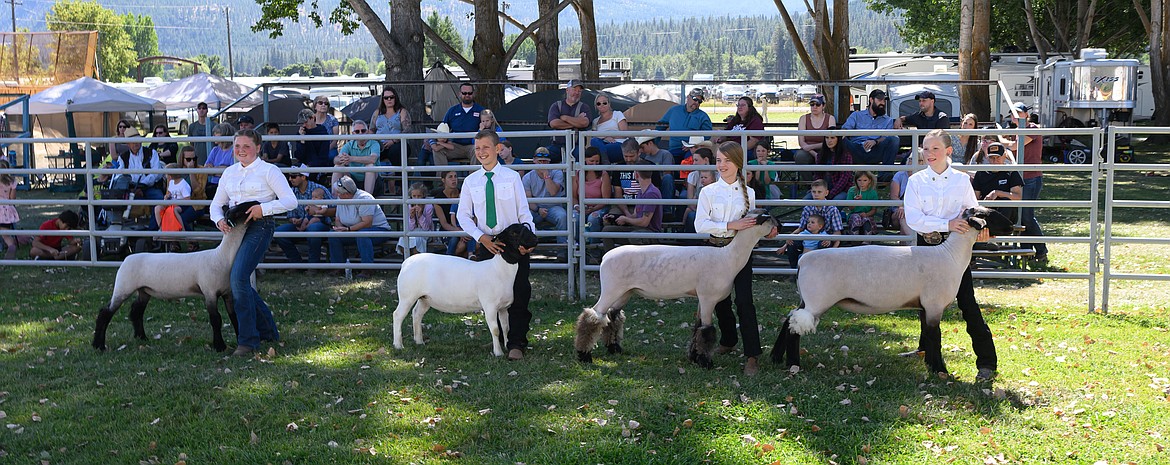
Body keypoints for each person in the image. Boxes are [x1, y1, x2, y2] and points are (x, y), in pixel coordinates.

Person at [904, 128, 998, 381]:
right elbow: (914, 219)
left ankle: (987, 362)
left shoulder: (961, 179)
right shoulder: (915, 181)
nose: (929, 153)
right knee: (926, 303)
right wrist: (947, 224)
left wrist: (982, 231)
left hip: (955, 251)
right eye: (925, 148)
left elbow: (972, 212)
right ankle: (928, 352)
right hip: (926, 248)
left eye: (935, 148)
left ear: (948, 151)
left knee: (967, 301)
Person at [209, 128, 298, 357]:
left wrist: (263, 209)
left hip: (260, 226)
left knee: (237, 278)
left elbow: (290, 201)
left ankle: (248, 341)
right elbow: (216, 205)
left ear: (258, 148)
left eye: (246, 146)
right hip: (235, 228)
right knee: (240, 281)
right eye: (237, 146)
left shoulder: (270, 171)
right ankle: (268, 331)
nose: (241, 150)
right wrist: (219, 219)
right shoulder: (229, 172)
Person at [694, 141, 777, 376]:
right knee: (720, 301)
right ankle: (729, 341)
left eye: (727, 161)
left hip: (740, 254)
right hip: (715, 252)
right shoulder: (708, 192)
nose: (722, 165)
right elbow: (700, 225)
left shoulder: (748, 192)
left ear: (738, 163)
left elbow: (752, 224)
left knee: (743, 301)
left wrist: (765, 229)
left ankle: (752, 355)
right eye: (719, 160)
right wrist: (731, 225)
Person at [456, 129, 535, 361]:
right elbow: (463, 216)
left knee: (518, 292)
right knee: (490, 296)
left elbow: (524, 212)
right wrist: (481, 237)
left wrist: (527, 240)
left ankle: (517, 342)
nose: (481, 152)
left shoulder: (512, 178)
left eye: (486, 147)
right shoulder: (471, 182)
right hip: (488, 244)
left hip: (512, 244)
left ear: (498, 149)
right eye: (477, 148)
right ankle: (497, 338)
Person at [1005, 102, 1048, 262]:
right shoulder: (1017, 131)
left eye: (1018, 113)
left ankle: (1041, 250)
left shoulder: (1032, 129)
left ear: (1026, 115)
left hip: (1031, 177)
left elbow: (1016, 147)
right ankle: (1027, 251)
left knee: (1027, 216)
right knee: (1022, 217)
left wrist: (1002, 141)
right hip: (1021, 178)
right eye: (1012, 114)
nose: (1014, 116)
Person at [327, 176, 390, 277]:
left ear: (347, 194)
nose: (336, 195)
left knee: (362, 235)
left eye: (339, 192)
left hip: (378, 229)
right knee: (333, 235)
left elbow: (367, 223)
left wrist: (348, 229)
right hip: (353, 230)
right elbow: (338, 219)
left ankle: (367, 269)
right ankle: (338, 267)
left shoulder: (364, 198)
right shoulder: (340, 198)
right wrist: (339, 229)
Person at [274, 166, 334, 266]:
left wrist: (320, 212)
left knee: (313, 229)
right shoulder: (291, 192)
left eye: (293, 176)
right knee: (279, 232)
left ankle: (313, 265)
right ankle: (296, 263)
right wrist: (293, 219)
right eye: (289, 176)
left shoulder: (319, 189)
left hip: (320, 223)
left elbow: (335, 210)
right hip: (301, 224)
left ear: (303, 177)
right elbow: (290, 214)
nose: (290, 179)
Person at [783, 179, 842, 268]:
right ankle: (795, 270)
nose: (816, 194)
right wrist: (790, 237)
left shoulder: (832, 209)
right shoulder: (808, 208)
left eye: (819, 192)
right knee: (792, 243)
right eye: (814, 192)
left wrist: (830, 239)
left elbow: (837, 232)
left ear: (826, 193)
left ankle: (820, 270)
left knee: (823, 244)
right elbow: (801, 228)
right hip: (808, 236)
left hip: (825, 238)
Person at [601, 169, 661, 252]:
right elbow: (635, 215)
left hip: (649, 232)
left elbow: (644, 222)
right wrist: (616, 218)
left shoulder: (651, 193)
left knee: (634, 236)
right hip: (637, 229)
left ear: (636, 175)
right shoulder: (641, 191)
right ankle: (612, 260)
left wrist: (625, 219)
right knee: (607, 231)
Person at [522, 148, 567, 246]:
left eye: (545, 161)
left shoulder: (556, 172)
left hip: (554, 207)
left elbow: (553, 192)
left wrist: (546, 174)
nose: (542, 163)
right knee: (524, 217)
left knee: (562, 216)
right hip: (536, 208)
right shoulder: (527, 177)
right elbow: (527, 200)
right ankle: (527, 248)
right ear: (534, 161)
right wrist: (538, 209)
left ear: (549, 161)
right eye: (540, 161)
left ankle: (563, 250)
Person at [842, 89, 897, 168]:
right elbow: (845, 129)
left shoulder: (888, 120)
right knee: (839, 138)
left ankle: (885, 176)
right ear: (871, 100)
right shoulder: (857, 115)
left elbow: (886, 137)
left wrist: (875, 141)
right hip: (856, 149)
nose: (882, 103)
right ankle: (842, 175)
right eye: (879, 99)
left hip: (876, 150)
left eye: (884, 100)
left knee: (894, 139)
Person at [971, 142, 1023, 223]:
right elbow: (975, 198)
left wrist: (998, 193)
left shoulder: (1011, 172)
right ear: (987, 158)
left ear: (1004, 156)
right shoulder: (981, 173)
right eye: (992, 157)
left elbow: (1018, 197)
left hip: (1006, 215)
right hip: (987, 212)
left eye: (998, 157)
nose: (995, 160)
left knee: (1006, 202)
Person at [434, 83, 484, 166]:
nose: (467, 95)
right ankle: (443, 178)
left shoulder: (481, 110)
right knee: (438, 150)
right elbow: (442, 128)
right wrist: (432, 141)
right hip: (454, 145)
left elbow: (489, 128)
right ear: (459, 94)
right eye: (464, 93)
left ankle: (473, 179)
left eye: (470, 93)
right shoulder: (452, 110)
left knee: (479, 151)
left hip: (473, 145)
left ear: (473, 94)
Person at [657, 88, 713, 161]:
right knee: (667, 161)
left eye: (699, 101)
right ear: (688, 97)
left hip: (692, 150)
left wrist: (692, 145)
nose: (696, 103)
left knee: (691, 161)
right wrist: (655, 143)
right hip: (674, 148)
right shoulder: (674, 110)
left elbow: (707, 134)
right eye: (695, 99)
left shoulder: (703, 116)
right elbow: (661, 126)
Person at [430, 170, 475, 258]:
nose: (454, 179)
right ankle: (449, 260)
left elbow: (473, 214)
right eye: (450, 177)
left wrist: (467, 230)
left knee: (475, 244)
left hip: (466, 227)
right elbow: (444, 224)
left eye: (455, 176)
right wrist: (461, 232)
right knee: (459, 246)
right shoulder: (438, 198)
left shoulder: (463, 193)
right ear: (443, 180)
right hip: (449, 230)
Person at [547, 79, 592, 162]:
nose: (576, 93)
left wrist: (565, 118)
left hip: (577, 146)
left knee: (582, 157)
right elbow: (554, 123)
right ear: (567, 90)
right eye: (574, 90)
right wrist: (576, 122)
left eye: (579, 91)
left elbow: (584, 123)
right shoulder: (556, 106)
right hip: (557, 146)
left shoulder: (584, 107)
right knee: (543, 156)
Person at [573, 147, 612, 243]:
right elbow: (573, 196)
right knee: (575, 218)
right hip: (581, 207)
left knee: (593, 219)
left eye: (597, 161)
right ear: (585, 159)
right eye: (591, 161)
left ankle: (594, 247)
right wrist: (577, 207)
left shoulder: (603, 174)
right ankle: (578, 245)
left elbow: (606, 199)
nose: (594, 164)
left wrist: (593, 209)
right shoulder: (578, 174)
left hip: (599, 207)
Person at [333, 119, 381, 194]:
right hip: (352, 180)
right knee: (338, 166)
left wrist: (351, 158)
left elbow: (373, 159)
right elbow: (336, 160)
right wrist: (342, 159)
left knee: (370, 166)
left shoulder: (374, 143)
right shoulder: (349, 144)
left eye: (363, 130)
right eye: (357, 131)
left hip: (373, 181)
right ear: (353, 133)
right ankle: (334, 200)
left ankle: (367, 199)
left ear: (367, 131)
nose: (361, 133)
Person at [794, 94, 835, 178]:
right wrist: (814, 154)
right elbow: (802, 142)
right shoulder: (803, 118)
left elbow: (831, 140)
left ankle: (825, 185)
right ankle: (810, 185)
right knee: (800, 157)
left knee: (829, 158)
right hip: (807, 151)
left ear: (823, 106)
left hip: (825, 149)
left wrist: (811, 147)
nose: (814, 107)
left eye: (818, 104)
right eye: (812, 104)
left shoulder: (830, 118)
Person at [374, 85, 411, 167]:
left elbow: (407, 130)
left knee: (395, 151)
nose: (389, 99)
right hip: (379, 146)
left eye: (391, 97)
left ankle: (399, 178)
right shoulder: (377, 112)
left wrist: (393, 141)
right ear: (383, 99)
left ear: (395, 98)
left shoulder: (402, 111)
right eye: (386, 98)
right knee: (370, 152)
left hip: (397, 145)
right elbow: (371, 129)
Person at [815, 127, 854, 201]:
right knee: (806, 201)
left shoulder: (846, 156)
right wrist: (819, 191)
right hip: (823, 189)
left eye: (832, 138)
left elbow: (844, 179)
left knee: (834, 204)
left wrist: (829, 194)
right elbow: (818, 175)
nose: (829, 141)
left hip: (842, 190)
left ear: (838, 139)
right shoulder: (820, 155)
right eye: (827, 138)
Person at [633, 135, 676, 202]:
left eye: (642, 147)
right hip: (652, 183)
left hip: (662, 184)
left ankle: (666, 209)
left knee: (667, 178)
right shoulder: (647, 158)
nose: (641, 150)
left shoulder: (665, 154)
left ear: (650, 143)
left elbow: (667, 173)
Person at [294, 108, 331, 185]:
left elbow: (323, 157)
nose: (304, 125)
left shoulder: (323, 133)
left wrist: (310, 165)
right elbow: (299, 156)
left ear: (313, 118)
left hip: (316, 167)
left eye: (305, 122)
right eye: (302, 123)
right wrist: (302, 140)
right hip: (304, 166)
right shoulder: (301, 133)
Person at [175, 146, 209, 232]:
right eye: (188, 159)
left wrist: (191, 172)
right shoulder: (177, 171)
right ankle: (174, 243)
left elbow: (197, 191)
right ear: (182, 159)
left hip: (196, 203)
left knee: (181, 219)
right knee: (170, 216)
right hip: (179, 202)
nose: (192, 162)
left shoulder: (201, 170)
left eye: (194, 159)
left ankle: (192, 242)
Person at [397, 182, 435, 256]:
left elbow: (426, 228)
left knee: (417, 241)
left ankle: (418, 262)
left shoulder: (428, 206)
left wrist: (420, 215)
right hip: (413, 230)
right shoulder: (408, 205)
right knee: (403, 239)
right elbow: (410, 228)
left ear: (423, 195)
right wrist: (411, 217)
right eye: (414, 196)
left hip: (425, 232)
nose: (416, 199)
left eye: (419, 196)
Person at [589, 92, 628, 163]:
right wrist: (605, 138)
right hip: (603, 144)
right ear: (596, 106)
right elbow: (595, 137)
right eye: (598, 103)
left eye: (604, 103)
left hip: (617, 143)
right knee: (594, 141)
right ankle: (605, 160)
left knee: (602, 151)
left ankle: (603, 160)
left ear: (609, 104)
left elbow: (624, 133)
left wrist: (610, 136)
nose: (602, 105)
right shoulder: (595, 121)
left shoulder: (617, 114)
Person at [682, 147, 715, 231]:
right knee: (692, 215)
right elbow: (690, 202)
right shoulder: (693, 175)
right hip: (697, 208)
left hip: (714, 209)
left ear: (706, 160)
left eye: (696, 160)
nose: (693, 163)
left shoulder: (718, 175)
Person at [154, 163, 191, 233]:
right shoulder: (171, 182)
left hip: (181, 205)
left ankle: (182, 229)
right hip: (171, 203)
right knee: (157, 208)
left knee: (175, 210)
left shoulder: (183, 184)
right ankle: (162, 228)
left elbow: (187, 199)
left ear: (171, 175)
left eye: (167, 174)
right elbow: (170, 193)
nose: (166, 176)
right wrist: (167, 196)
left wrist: (176, 201)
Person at [204, 123, 237, 200]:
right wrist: (221, 169)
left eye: (217, 133)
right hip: (213, 184)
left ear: (225, 134)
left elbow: (231, 171)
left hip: (227, 185)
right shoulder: (215, 150)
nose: (214, 135)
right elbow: (206, 168)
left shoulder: (234, 150)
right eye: (214, 133)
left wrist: (214, 170)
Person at [843, 171, 880, 238]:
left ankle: (867, 239)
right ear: (856, 181)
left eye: (865, 180)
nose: (862, 183)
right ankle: (854, 238)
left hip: (867, 214)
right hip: (854, 214)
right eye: (859, 180)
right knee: (856, 218)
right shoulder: (852, 191)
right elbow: (850, 208)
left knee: (866, 220)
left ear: (869, 181)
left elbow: (874, 210)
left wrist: (866, 214)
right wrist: (855, 201)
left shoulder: (872, 192)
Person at [0, 159, 21, 259]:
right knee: (6, 234)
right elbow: (12, 199)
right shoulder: (12, 182)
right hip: (6, 210)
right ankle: (11, 245)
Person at [311, 96, 340, 162]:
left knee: (330, 156)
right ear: (315, 106)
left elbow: (335, 141)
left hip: (330, 148)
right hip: (313, 149)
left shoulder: (333, 120)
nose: (323, 105)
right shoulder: (310, 119)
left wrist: (324, 150)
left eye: (326, 103)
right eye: (320, 103)